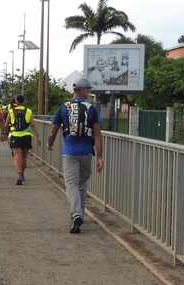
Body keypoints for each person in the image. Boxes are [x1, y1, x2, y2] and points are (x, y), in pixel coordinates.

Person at [47, 78, 104, 234]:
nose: (89, 92)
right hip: (86, 153)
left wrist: (50, 144)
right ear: (81, 90)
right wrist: (100, 157)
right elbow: (98, 135)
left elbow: (54, 129)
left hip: (69, 152)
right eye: (88, 89)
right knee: (81, 184)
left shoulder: (64, 107)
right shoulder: (91, 109)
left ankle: (77, 215)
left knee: (72, 185)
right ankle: (80, 215)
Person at [4, 95, 33, 186]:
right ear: (24, 101)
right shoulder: (28, 111)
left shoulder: (11, 111)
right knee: (24, 156)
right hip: (26, 136)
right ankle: (22, 174)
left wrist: (4, 133)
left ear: (16, 101)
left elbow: (6, 124)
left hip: (15, 136)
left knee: (17, 156)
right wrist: (38, 136)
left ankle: (20, 174)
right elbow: (33, 124)